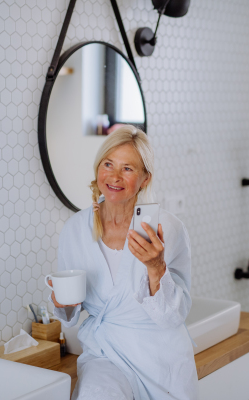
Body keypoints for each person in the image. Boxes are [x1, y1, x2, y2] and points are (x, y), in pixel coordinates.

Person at [49, 125, 199, 399]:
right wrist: (63, 304)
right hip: (105, 353)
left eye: (128, 169)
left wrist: (156, 268)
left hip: (160, 359)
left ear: (144, 179)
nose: (115, 176)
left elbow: (173, 316)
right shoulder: (75, 229)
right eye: (108, 164)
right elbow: (69, 315)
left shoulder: (167, 228)